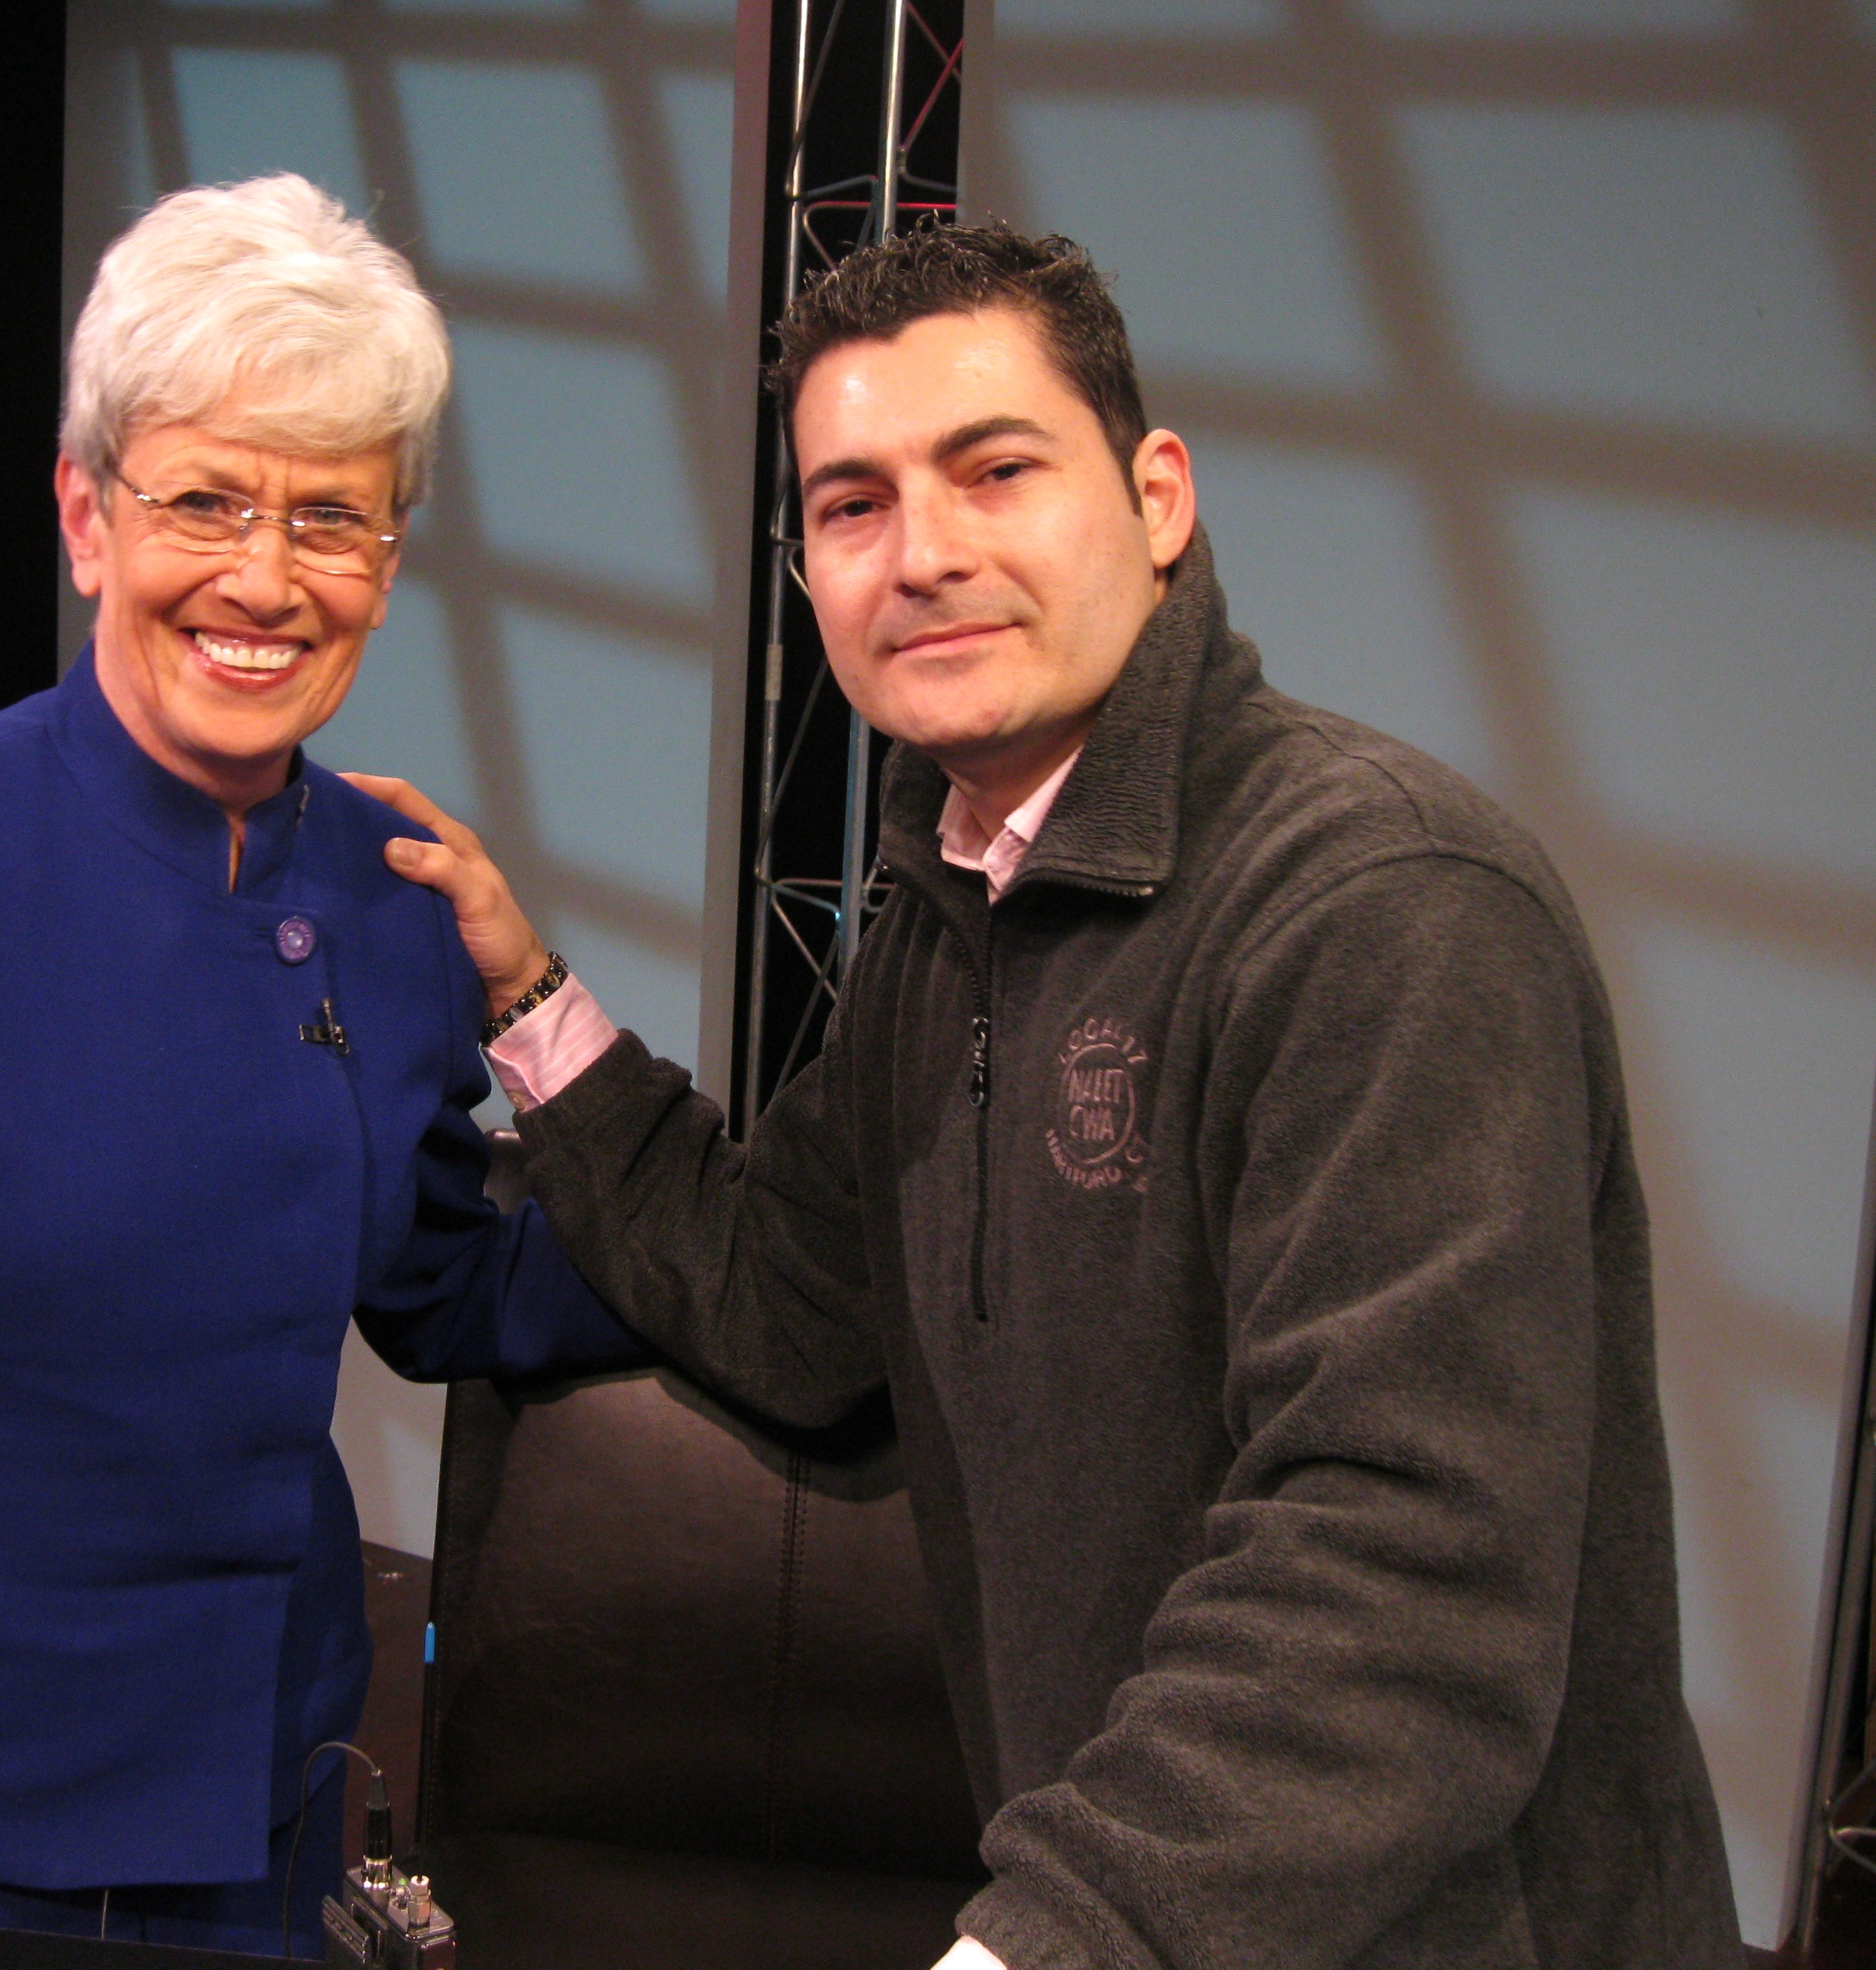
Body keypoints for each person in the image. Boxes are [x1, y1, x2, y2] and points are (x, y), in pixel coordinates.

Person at [361, 223, 1746, 1969]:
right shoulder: (952, 922)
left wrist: (1043, 1945)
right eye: (853, 505)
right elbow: (787, 1299)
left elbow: (1402, 1576)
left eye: (996, 470)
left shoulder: (1383, 905)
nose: (926, 552)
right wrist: (527, 995)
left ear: (1157, 498)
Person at [0, 175, 640, 1970]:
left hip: (263, 1802)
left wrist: (788, 1234)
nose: (265, 578)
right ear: (86, 516)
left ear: (390, 562)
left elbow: (454, 1285)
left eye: (333, 518)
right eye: (205, 500)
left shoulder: (394, 898)